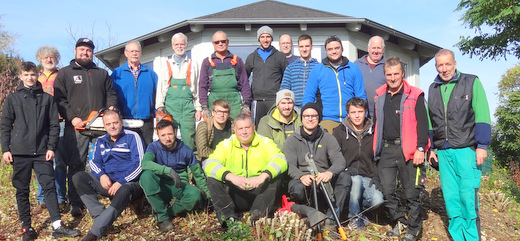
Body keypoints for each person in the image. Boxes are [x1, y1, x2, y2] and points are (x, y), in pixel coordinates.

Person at [1, 62, 81, 240]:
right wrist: (5, 149)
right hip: (19, 152)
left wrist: (51, 147)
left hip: (42, 152)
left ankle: (57, 226)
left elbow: (54, 125)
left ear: (37, 76)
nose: (30, 78)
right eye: (26, 75)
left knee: (49, 187)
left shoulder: (47, 99)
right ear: (21, 76)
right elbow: (5, 125)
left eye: (32, 74)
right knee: (22, 190)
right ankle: (27, 228)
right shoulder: (13, 99)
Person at [428, 49, 491, 241]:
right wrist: (431, 148)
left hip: (466, 150)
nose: (444, 69)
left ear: (455, 64)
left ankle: (472, 238)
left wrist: (482, 145)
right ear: (436, 67)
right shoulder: (433, 88)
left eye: (448, 64)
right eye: (440, 65)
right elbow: (431, 121)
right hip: (444, 152)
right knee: (452, 199)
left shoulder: (471, 82)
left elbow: (482, 114)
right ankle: (458, 237)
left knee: (468, 199)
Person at [54, 38, 118, 216]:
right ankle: (76, 201)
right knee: (76, 165)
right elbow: (59, 99)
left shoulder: (101, 73)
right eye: (82, 49)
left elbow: (111, 94)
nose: (85, 52)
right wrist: (72, 117)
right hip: (77, 127)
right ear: (75, 52)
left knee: (106, 161)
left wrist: (111, 107)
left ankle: (109, 194)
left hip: (99, 127)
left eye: (88, 50)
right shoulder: (65, 73)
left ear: (92, 53)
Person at [373, 57, 429, 241]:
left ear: (402, 73)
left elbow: (423, 124)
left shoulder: (415, 94)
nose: (393, 78)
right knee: (387, 191)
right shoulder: (379, 95)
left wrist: (421, 148)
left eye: (396, 73)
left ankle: (413, 230)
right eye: (389, 74)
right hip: (387, 150)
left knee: (412, 192)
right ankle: (400, 222)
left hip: (410, 150)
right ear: (385, 75)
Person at [203, 113, 288, 228]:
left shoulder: (265, 142)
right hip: (236, 192)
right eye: (240, 129)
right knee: (213, 180)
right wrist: (232, 177)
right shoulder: (226, 144)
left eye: (247, 128)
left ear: (253, 128)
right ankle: (229, 219)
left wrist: (262, 176)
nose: (244, 132)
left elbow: (280, 159)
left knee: (275, 176)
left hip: (259, 192)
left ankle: (257, 216)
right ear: (235, 130)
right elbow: (210, 164)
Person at [72, 110, 144, 241]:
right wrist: (102, 175)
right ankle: (100, 216)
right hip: (108, 182)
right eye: (109, 124)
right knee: (79, 177)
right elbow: (94, 163)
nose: (113, 126)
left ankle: (95, 232)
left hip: (129, 184)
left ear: (121, 123)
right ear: (104, 126)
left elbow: (139, 164)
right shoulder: (101, 140)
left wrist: (121, 182)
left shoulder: (132, 136)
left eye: (115, 122)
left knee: (125, 190)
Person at [283, 103, 350, 224]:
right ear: (301, 118)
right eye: (306, 116)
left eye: (314, 116)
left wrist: (329, 173)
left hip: (323, 180)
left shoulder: (328, 138)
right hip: (303, 180)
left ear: (319, 118)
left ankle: (332, 219)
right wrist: (301, 176)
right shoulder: (292, 140)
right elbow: (289, 166)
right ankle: (306, 215)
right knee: (296, 188)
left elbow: (340, 161)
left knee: (344, 178)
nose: (310, 119)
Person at [140, 119, 209, 232]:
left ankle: (167, 211)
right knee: (146, 176)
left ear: (175, 132)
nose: (167, 138)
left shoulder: (185, 150)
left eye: (170, 134)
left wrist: (208, 195)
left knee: (195, 195)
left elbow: (198, 174)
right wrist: (168, 171)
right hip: (161, 185)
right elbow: (145, 164)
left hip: (179, 185)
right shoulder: (153, 147)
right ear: (158, 135)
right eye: (163, 135)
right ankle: (162, 218)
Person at [332, 97, 384, 231]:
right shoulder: (339, 132)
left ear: (365, 112)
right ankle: (354, 219)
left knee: (377, 200)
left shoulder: (375, 131)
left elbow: (379, 157)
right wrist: (345, 169)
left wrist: (376, 176)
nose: (357, 115)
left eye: (360, 111)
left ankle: (361, 213)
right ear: (348, 114)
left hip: (368, 176)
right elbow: (335, 156)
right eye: (353, 112)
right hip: (348, 175)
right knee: (355, 181)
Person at [302, 35, 367, 133]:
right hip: (327, 120)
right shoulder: (318, 70)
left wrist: (363, 118)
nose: (334, 51)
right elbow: (308, 97)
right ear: (326, 51)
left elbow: (361, 96)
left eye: (337, 48)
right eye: (330, 49)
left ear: (342, 49)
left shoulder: (353, 68)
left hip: (350, 119)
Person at [34, 45, 67, 213]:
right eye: (45, 57)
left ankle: (61, 197)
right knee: (41, 161)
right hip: (40, 125)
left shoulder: (62, 75)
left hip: (59, 122)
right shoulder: (35, 77)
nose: (49, 59)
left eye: (52, 57)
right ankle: (42, 198)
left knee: (59, 162)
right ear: (40, 59)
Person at [156, 33, 201, 151]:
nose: (179, 46)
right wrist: (160, 107)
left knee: (189, 138)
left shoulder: (193, 64)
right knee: (169, 137)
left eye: (182, 44)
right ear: (172, 46)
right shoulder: (166, 64)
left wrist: (199, 108)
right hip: (170, 107)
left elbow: (197, 87)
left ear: (186, 45)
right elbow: (160, 88)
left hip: (188, 107)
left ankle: (191, 166)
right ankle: (172, 164)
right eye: (177, 44)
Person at [111, 40, 158, 145]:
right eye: (132, 51)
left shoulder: (151, 74)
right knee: (126, 152)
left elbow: (157, 96)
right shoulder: (117, 74)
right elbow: (111, 95)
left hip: (146, 121)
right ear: (126, 53)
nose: (134, 54)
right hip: (124, 120)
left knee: (146, 151)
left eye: (137, 51)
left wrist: (154, 113)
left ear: (141, 53)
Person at [199, 31, 252, 119]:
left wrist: (246, 104)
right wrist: (204, 107)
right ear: (213, 44)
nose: (220, 44)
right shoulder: (207, 62)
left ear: (227, 42)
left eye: (223, 41)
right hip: (214, 102)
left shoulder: (237, 60)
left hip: (234, 103)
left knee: (235, 129)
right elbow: (202, 86)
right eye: (217, 42)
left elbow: (245, 83)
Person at [245, 26, 288, 125]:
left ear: (272, 38)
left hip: (274, 99)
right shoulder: (252, 57)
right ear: (259, 39)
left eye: (268, 36)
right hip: (257, 100)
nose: (265, 40)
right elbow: (244, 79)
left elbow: (286, 78)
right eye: (262, 37)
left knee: (275, 126)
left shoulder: (280, 56)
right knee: (257, 128)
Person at [280, 34, 319, 110]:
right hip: (295, 108)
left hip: (313, 107)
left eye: (307, 46)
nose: (304, 49)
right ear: (298, 47)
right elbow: (284, 89)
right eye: (301, 46)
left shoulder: (319, 67)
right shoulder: (291, 68)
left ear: (312, 47)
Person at [354, 36, 387, 118]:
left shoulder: (388, 66)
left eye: (379, 48)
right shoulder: (357, 65)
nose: (376, 51)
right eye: (373, 48)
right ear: (368, 48)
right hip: (361, 114)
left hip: (382, 114)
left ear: (383, 49)